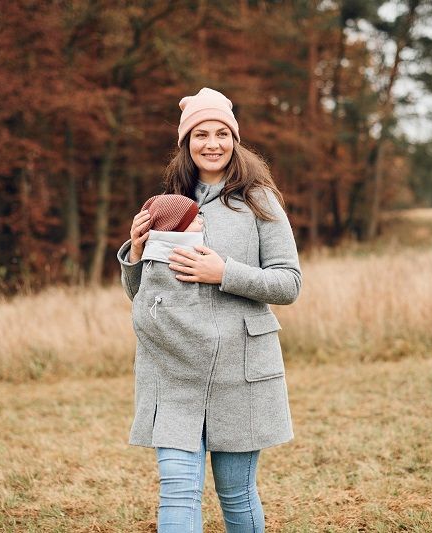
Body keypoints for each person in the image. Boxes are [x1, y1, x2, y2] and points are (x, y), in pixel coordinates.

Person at [116, 87, 302, 533]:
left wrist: (224, 272)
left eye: (222, 133)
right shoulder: (168, 205)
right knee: (177, 490)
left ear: (235, 140)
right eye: (200, 134)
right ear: (186, 143)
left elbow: (289, 284)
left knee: (236, 495)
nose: (212, 143)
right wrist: (137, 251)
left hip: (240, 369)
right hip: (174, 368)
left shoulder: (259, 201)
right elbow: (142, 294)